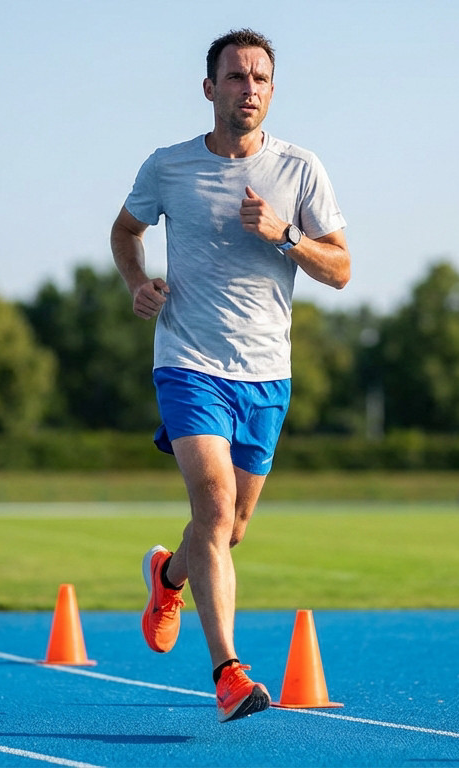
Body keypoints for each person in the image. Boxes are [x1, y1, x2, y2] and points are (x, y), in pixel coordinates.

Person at [110, 28, 350, 722]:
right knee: (213, 510)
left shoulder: (301, 171)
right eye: (236, 77)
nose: (249, 89)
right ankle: (228, 674)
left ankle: (168, 574)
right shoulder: (168, 167)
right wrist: (138, 283)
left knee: (231, 529)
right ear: (210, 88)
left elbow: (341, 270)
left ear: (273, 92)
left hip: (267, 372)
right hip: (188, 362)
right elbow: (125, 232)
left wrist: (284, 234)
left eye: (261, 79)